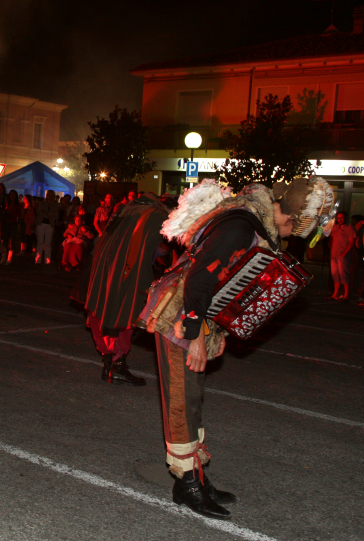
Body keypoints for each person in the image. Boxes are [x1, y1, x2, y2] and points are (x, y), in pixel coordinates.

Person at [146, 177, 334, 519]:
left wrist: (218, 334)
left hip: (194, 315)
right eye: (297, 229)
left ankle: (196, 477)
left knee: (191, 401)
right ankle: (186, 485)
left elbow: (223, 282)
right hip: (178, 317)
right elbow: (200, 282)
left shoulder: (250, 218)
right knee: (181, 400)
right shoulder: (241, 226)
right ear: (292, 218)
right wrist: (198, 339)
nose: (292, 236)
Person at [85, 192, 171, 386]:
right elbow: (151, 249)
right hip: (126, 272)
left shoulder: (130, 208)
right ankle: (117, 367)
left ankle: (109, 364)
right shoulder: (154, 214)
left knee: (108, 311)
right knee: (123, 314)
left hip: (107, 268)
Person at [327, 211, 357, 301]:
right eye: (338, 218)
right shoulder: (335, 227)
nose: (340, 220)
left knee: (344, 274)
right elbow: (332, 240)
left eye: (342, 218)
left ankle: (346, 295)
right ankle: (335, 293)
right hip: (334, 255)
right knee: (335, 274)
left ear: (346, 218)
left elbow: (352, 242)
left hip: (343, 255)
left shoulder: (350, 228)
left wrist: (344, 253)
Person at [34, 189, 57, 264]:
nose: (50, 197)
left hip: (50, 225)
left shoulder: (55, 205)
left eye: (51, 195)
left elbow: (56, 214)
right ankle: (38, 259)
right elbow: (39, 212)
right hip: (41, 224)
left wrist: (46, 213)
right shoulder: (42, 203)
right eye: (49, 195)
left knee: (48, 243)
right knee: (40, 242)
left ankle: (47, 260)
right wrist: (49, 214)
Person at [0, 189, 21, 264]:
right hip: (6, 223)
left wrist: (10, 213)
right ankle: (4, 257)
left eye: (13, 195)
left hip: (13, 223)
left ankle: (9, 258)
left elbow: (19, 214)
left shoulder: (17, 204)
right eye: (11, 195)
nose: (12, 196)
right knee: (5, 240)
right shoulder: (7, 203)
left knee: (11, 241)